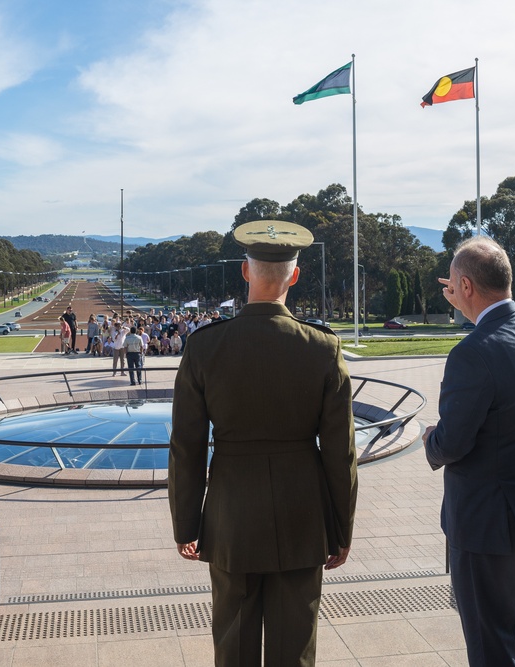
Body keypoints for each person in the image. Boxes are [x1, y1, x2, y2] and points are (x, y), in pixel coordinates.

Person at [168, 221, 357, 667]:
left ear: (245, 271)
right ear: (294, 276)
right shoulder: (322, 348)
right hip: (303, 516)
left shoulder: (205, 348)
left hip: (232, 517)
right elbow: (340, 452)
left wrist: (186, 525)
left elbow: (187, 448)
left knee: (233, 649)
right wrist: (342, 528)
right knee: (295, 652)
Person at [422, 236, 515, 666]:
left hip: (491, 523)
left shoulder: (473, 353)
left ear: (466, 286)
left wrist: (431, 437)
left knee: (493, 643)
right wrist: (463, 292)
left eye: (453, 284)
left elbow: (452, 441)